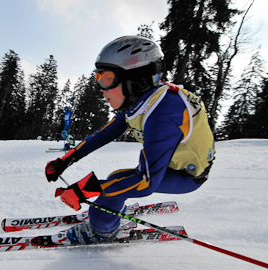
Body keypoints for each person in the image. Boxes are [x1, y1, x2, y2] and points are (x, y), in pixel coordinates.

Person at [45, 36, 215, 245]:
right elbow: (104, 134)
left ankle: (101, 231)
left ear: (136, 79)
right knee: (117, 180)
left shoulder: (164, 113)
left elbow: (145, 183)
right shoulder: (140, 101)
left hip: (187, 176)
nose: (100, 87)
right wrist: (66, 160)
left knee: (112, 193)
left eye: (107, 78)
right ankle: (114, 210)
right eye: (98, 77)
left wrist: (86, 190)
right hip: (169, 164)